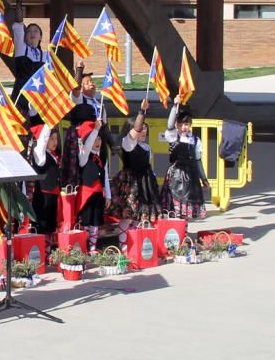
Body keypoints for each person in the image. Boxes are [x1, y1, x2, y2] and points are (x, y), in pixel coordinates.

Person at [108, 97, 161, 230]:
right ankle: (124, 243)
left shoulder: (147, 147)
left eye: (145, 128)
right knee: (128, 213)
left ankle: (139, 240)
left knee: (143, 214)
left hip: (145, 182)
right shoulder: (128, 143)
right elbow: (135, 130)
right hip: (131, 182)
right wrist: (142, 111)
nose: (143, 130)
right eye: (140, 128)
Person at [160, 96, 209, 219]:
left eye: (186, 124)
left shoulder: (196, 141)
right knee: (174, 210)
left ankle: (184, 234)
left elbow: (198, 161)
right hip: (175, 177)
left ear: (190, 124)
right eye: (181, 124)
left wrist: (204, 179)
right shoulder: (173, 136)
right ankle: (175, 234)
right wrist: (175, 106)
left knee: (186, 211)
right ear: (177, 124)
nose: (183, 128)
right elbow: (169, 125)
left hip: (191, 178)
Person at [76, 119, 110, 253]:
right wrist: (95, 130)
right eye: (95, 139)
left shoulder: (102, 157)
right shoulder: (84, 156)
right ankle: (83, 248)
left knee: (95, 221)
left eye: (99, 139)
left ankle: (92, 247)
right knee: (86, 221)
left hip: (98, 194)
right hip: (86, 195)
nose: (98, 142)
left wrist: (108, 195)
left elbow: (105, 176)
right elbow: (87, 146)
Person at [10, 0, 48, 110]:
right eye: (29, 31)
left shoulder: (46, 56)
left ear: (40, 37)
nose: (32, 33)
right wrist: (19, 1)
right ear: (25, 36)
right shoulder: (22, 49)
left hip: (38, 99)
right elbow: (18, 24)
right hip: (21, 96)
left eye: (36, 31)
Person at [29, 123, 61, 241]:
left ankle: (47, 254)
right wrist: (48, 124)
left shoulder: (53, 156)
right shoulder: (40, 154)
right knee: (42, 227)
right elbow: (42, 141)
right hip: (43, 196)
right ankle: (41, 254)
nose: (55, 141)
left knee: (50, 228)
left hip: (52, 195)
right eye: (51, 138)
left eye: (56, 138)